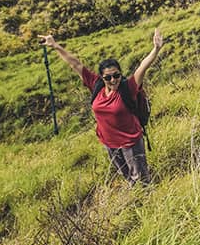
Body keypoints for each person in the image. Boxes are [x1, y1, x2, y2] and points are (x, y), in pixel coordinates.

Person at [38, 29, 162, 185]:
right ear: (102, 78)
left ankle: (148, 202)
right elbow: (75, 63)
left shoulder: (128, 87)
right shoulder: (95, 85)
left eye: (116, 75)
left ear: (120, 74)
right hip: (109, 143)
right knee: (128, 178)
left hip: (130, 142)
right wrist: (55, 45)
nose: (113, 80)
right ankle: (137, 198)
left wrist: (156, 49)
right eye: (108, 77)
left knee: (142, 181)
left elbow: (142, 67)